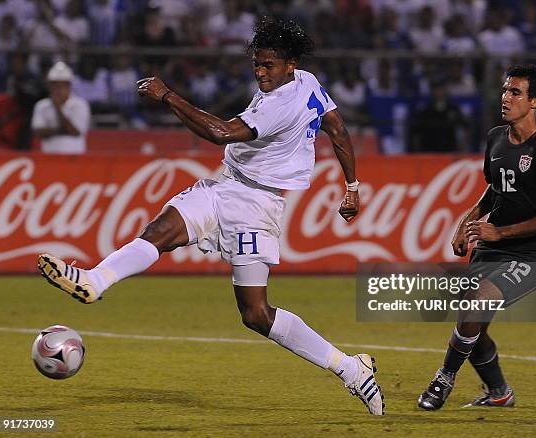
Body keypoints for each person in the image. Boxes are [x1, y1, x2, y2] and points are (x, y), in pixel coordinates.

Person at [37, 17, 384, 416]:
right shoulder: (306, 81)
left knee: (256, 314)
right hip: (226, 186)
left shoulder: (279, 104)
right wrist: (353, 187)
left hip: (257, 206)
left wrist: (167, 96)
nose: (259, 72)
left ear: (288, 64)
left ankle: (350, 369)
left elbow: (219, 132)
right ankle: (95, 280)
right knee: (162, 229)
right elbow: (337, 130)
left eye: (268, 65)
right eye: (257, 63)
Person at [417, 65, 536, 410]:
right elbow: (495, 189)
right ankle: (499, 392)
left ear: (535, 101)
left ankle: (444, 379)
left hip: (532, 256)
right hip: (490, 249)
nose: (505, 97)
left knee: (475, 304)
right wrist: (465, 222)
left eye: (515, 92)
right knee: (473, 326)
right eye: (504, 90)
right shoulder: (496, 138)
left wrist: (500, 231)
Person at [31, 61, 91, 154]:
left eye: (61, 85)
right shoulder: (41, 105)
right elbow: (38, 132)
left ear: (69, 86)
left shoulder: (80, 105)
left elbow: (75, 132)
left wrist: (58, 109)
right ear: (49, 86)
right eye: (54, 85)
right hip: (49, 157)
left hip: (75, 158)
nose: (58, 89)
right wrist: (62, 130)